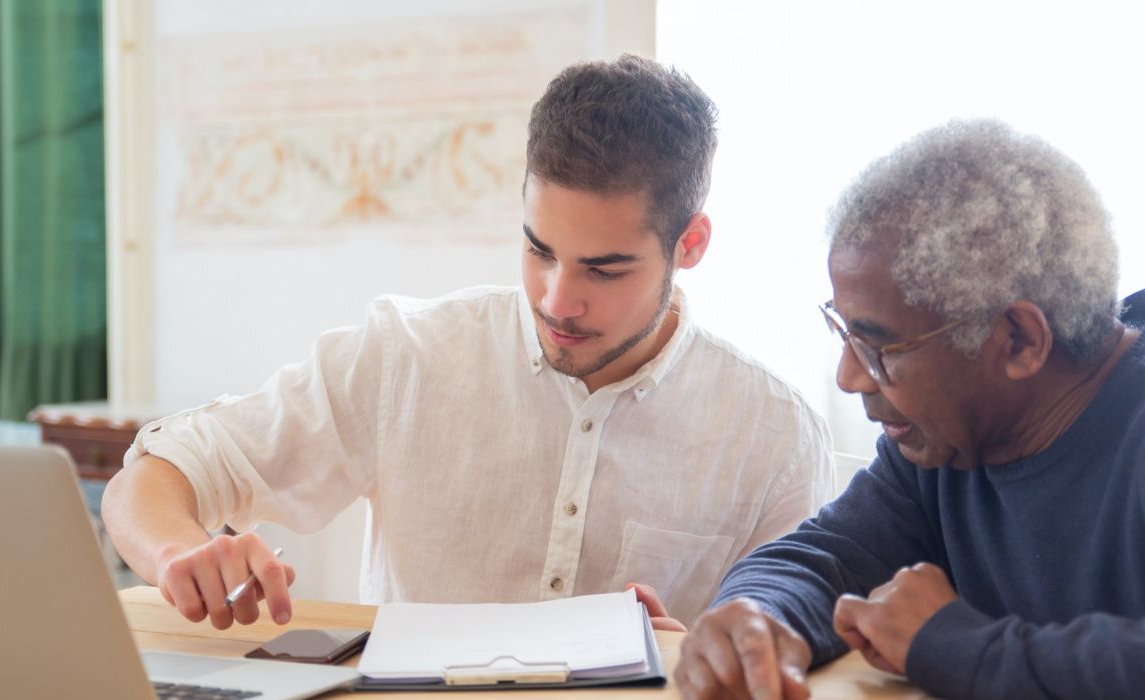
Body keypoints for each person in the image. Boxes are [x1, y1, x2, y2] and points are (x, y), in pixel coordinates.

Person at [101, 55, 834, 634]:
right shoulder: (407, 356)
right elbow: (155, 472)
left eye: (604, 269)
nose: (557, 300)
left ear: (692, 243)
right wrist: (180, 554)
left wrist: (695, 660)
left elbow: (785, 644)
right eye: (538, 249)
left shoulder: (773, 434)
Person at [673, 120, 1145, 699]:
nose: (850, 378)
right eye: (844, 334)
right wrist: (757, 619)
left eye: (879, 347)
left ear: (1019, 340)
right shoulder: (946, 439)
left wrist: (958, 647)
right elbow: (822, 558)